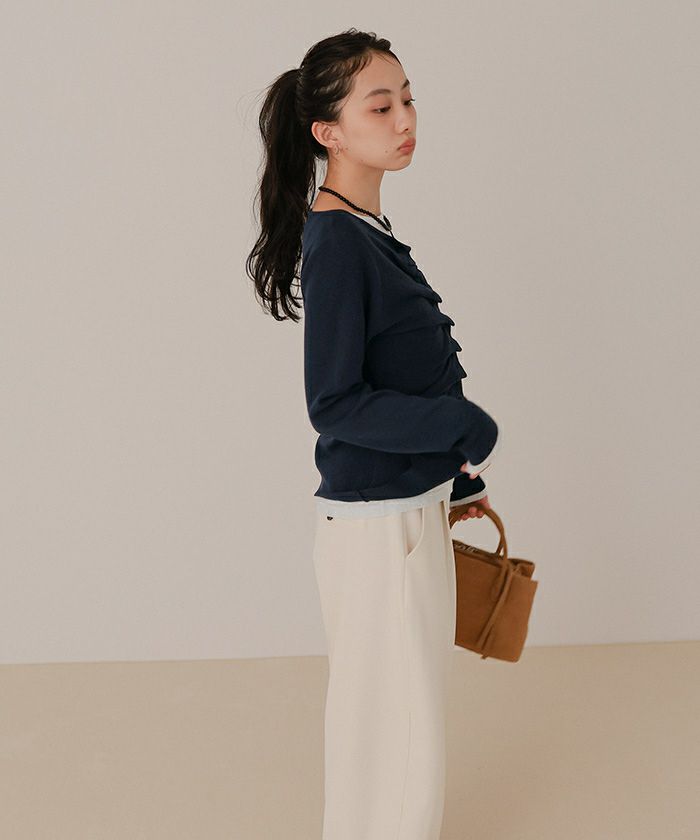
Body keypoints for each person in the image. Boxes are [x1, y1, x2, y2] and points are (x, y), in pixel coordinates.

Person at [246, 28, 500, 840]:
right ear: (329, 131)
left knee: (404, 725)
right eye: (380, 107)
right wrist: (459, 423)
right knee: (390, 731)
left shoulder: (366, 230)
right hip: (376, 529)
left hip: (406, 509)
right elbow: (335, 404)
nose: (405, 119)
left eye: (408, 99)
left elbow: (398, 376)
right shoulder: (339, 243)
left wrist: (452, 474)